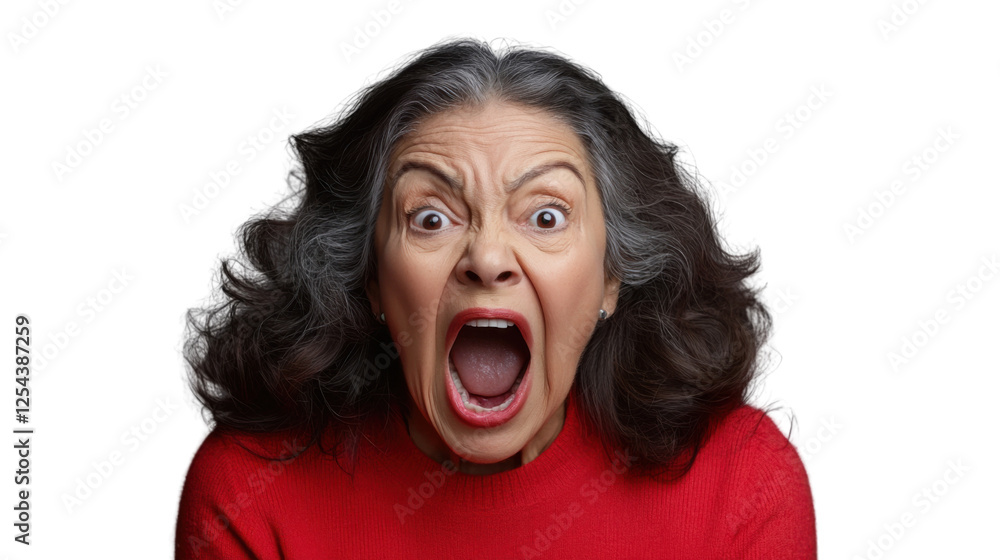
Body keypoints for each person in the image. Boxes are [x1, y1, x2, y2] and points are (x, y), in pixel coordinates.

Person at [176, 38, 816, 559]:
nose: (486, 258)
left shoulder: (740, 482)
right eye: (430, 218)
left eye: (545, 217)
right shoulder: (250, 489)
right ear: (371, 279)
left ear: (611, 277)